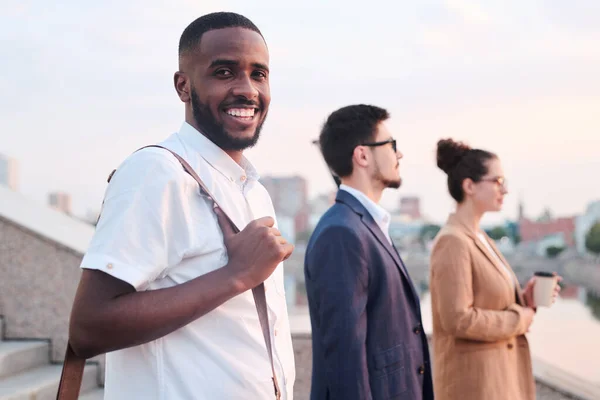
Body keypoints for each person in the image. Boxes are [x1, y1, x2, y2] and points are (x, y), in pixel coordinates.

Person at [68, 12, 296, 399]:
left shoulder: (253, 190)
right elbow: (89, 327)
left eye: (259, 74)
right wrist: (237, 275)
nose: (248, 89)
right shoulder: (156, 172)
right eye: (224, 73)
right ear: (183, 86)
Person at [304, 105, 434, 400]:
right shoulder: (342, 233)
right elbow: (344, 356)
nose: (399, 154)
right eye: (391, 145)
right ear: (362, 155)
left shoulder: (365, 224)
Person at [429, 138, 561, 400]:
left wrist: (526, 300)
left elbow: (488, 302)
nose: (505, 190)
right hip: (475, 386)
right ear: (469, 186)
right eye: (498, 181)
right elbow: (457, 319)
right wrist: (519, 319)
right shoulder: (453, 241)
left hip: (499, 380)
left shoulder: (479, 237)